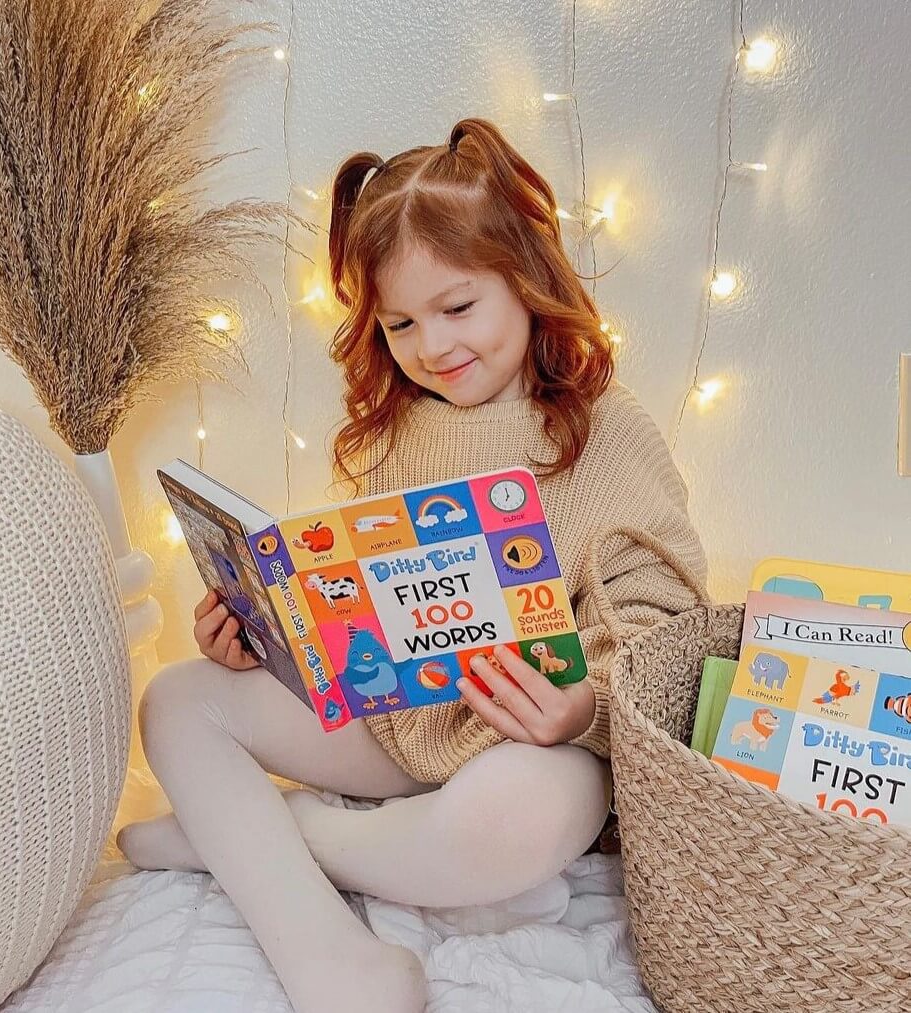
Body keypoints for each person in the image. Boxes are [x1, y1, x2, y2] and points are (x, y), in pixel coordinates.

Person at [118, 117, 709, 1013]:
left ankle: (266, 832)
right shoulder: (393, 431)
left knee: (512, 825)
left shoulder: (605, 429)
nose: (431, 346)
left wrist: (579, 704)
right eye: (399, 323)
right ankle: (334, 959)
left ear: (526, 279)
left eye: (457, 307)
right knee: (177, 697)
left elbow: (669, 628)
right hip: (402, 719)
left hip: (532, 736)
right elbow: (358, 613)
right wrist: (264, 636)